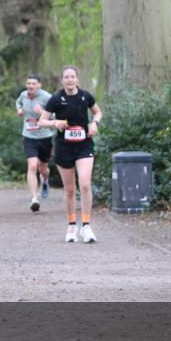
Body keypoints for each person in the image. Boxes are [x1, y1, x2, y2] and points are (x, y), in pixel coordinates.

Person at [38, 66, 102, 243]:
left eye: (72, 76)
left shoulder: (85, 96)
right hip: (64, 147)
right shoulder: (56, 99)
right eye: (66, 77)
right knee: (70, 189)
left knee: (85, 184)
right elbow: (42, 121)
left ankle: (86, 226)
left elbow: (97, 112)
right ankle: (72, 226)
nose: (70, 79)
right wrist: (55, 123)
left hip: (84, 145)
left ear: (77, 79)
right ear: (62, 80)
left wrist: (95, 124)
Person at [15, 74, 55, 212]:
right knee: (32, 166)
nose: (30, 86)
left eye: (33, 84)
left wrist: (42, 112)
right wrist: (19, 109)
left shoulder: (47, 97)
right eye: (28, 83)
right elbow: (18, 102)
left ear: (39, 85)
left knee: (43, 169)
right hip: (29, 136)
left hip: (45, 137)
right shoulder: (23, 95)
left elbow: (56, 116)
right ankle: (34, 199)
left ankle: (44, 181)